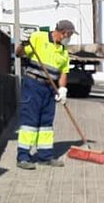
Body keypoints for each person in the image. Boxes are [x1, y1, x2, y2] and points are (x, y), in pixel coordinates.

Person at [15, 20, 75, 169]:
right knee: (29, 122)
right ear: (64, 33)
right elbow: (18, 53)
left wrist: (62, 90)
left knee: (46, 124)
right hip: (33, 85)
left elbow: (64, 73)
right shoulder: (39, 37)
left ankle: (45, 156)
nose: (70, 38)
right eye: (70, 35)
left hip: (50, 89)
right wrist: (23, 44)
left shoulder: (63, 51)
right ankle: (23, 157)